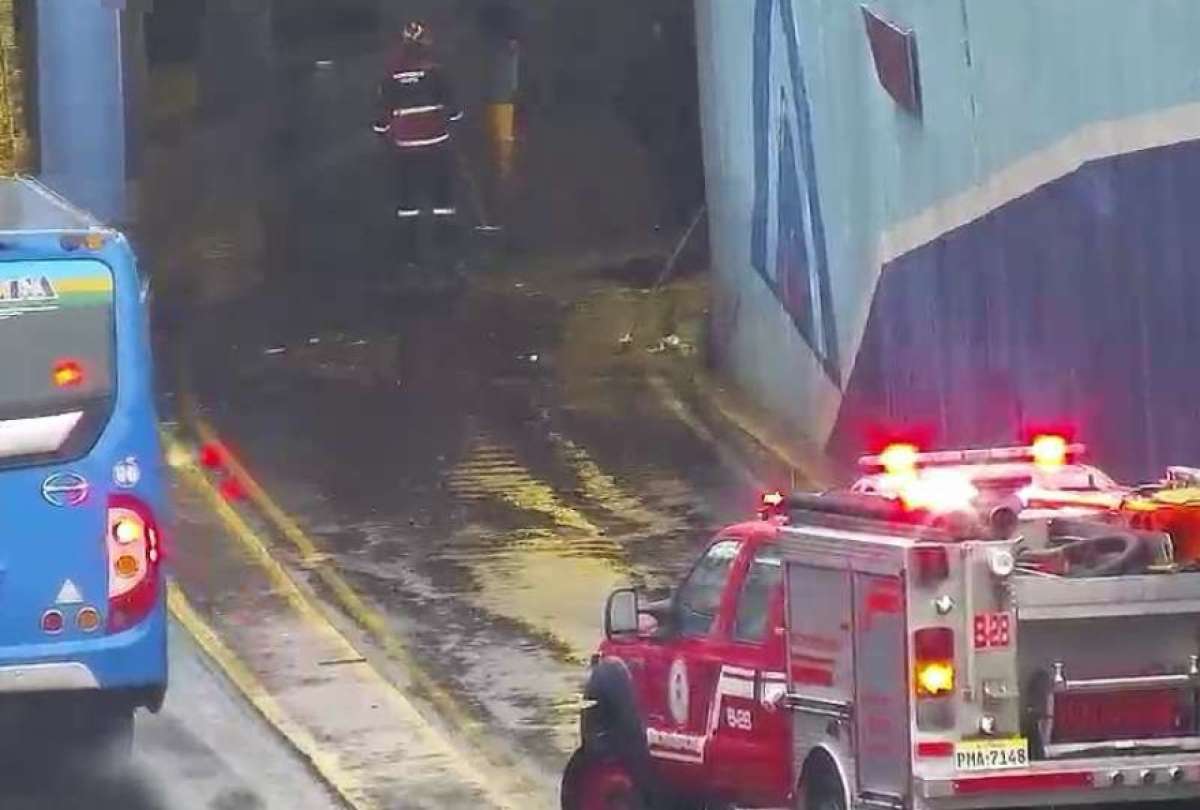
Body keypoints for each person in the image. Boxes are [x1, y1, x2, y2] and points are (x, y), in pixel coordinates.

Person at [373, 20, 463, 246]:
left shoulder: (392, 71)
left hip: (406, 145)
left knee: (407, 196)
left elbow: (383, 109)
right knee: (442, 193)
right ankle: (446, 244)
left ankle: (408, 248)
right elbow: (452, 106)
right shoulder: (434, 68)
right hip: (436, 141)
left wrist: (381, 131)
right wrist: (455, 119)